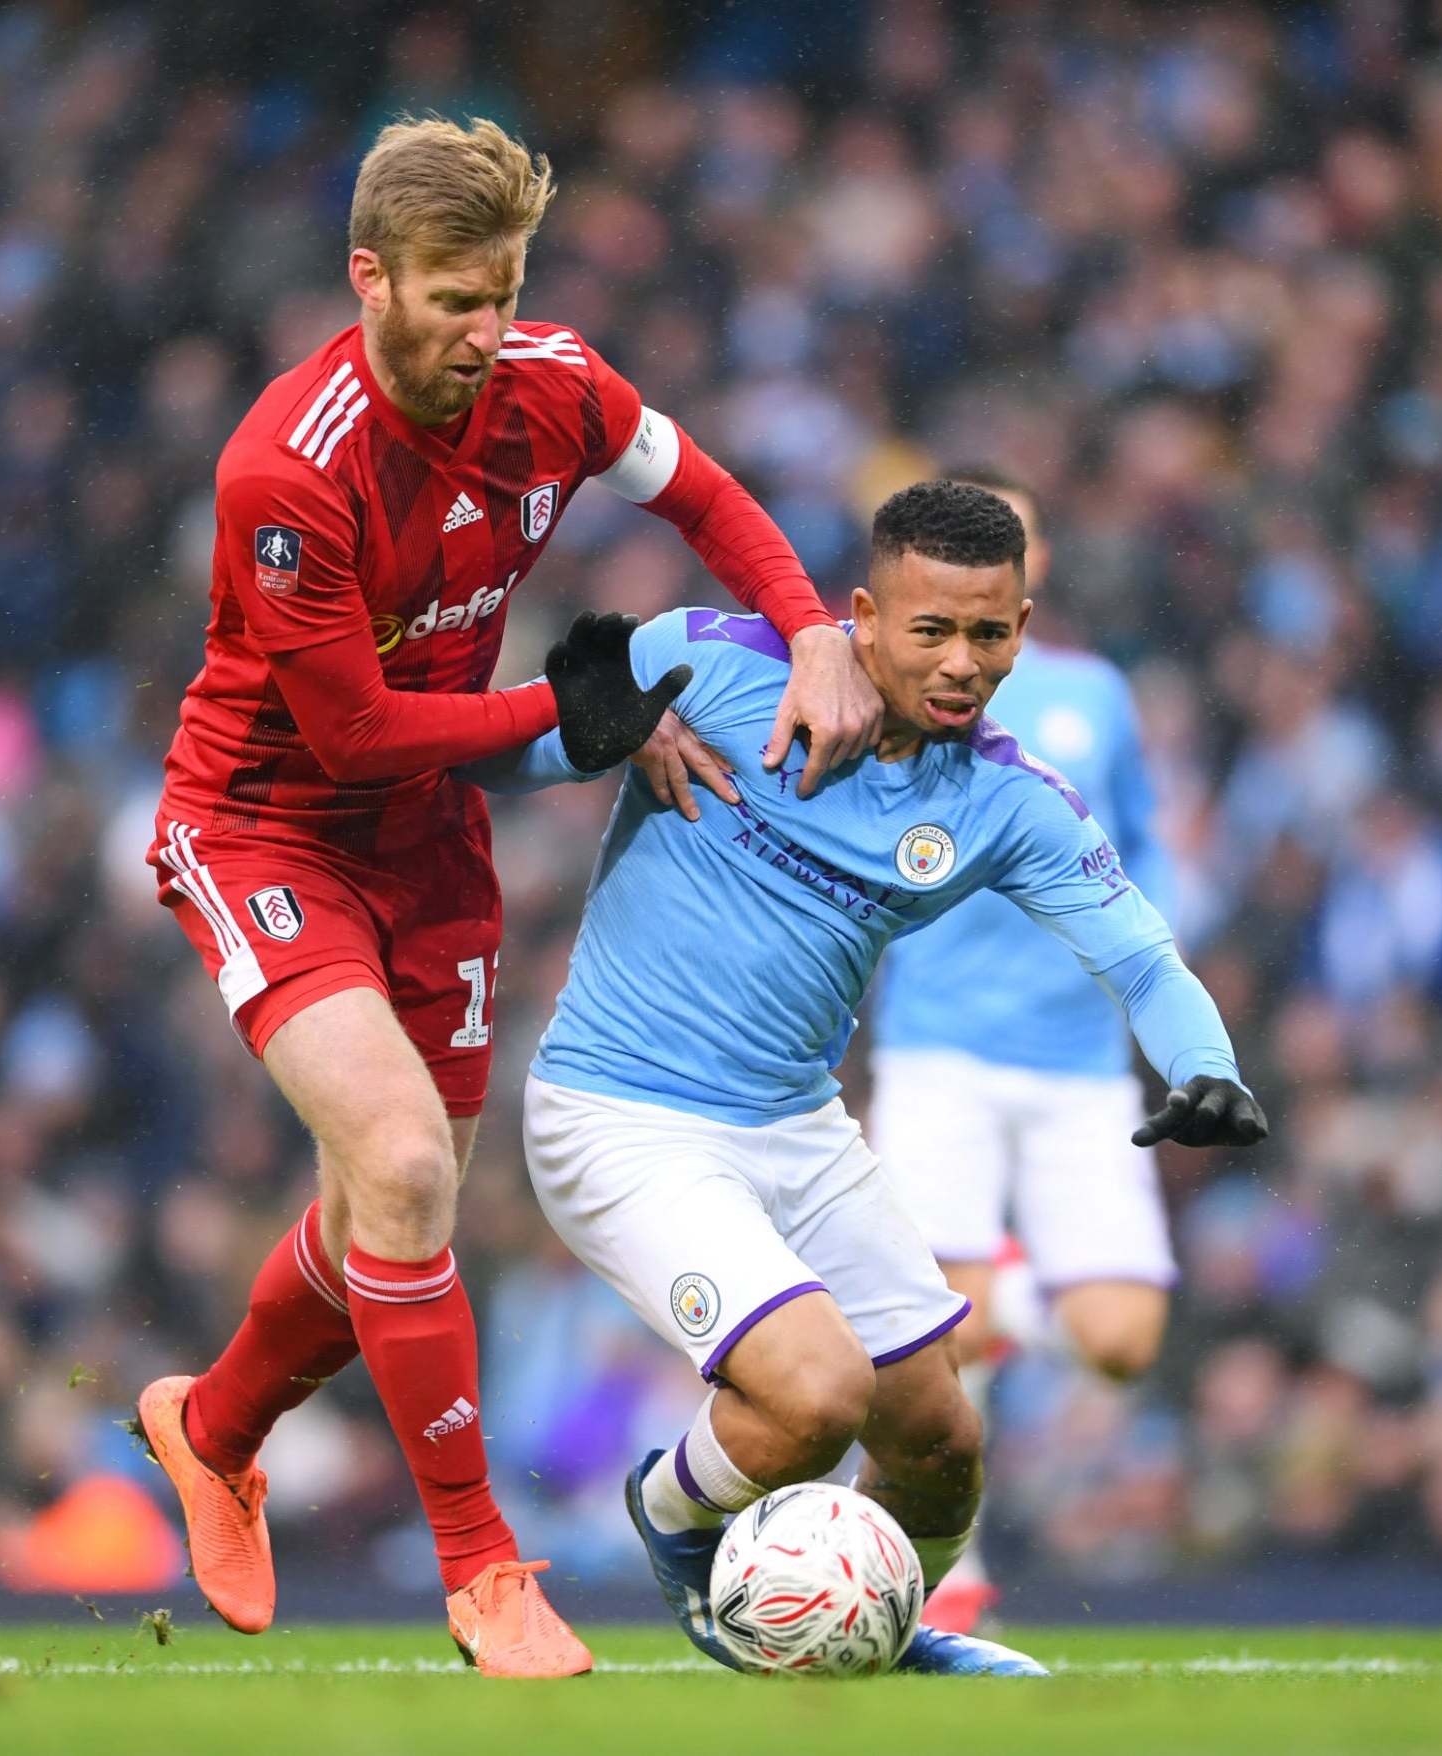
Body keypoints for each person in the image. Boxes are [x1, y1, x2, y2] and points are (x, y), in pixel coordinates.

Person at [132, 116, 881, 1678]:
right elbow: (348, 730)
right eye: (454, 299)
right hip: (268, 827)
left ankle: (209, 1432)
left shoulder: (552, 382)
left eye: (505, 293)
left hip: (431, 844)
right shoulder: (290, 465)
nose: (486, 332)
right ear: (370, 280)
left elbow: (706, 495)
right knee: (403, 1165)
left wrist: (808, 626)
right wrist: (568, 716)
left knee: (384, 1220)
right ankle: (482, 1575)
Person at [467, 481, 1267, 1673]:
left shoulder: (1005, 799)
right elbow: (495, 758)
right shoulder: (715, 663)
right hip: (621, 1113)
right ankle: (673, 1515)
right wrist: (574, 724)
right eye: (930, 630)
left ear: (1023, 627)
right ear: (862, 614)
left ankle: (886, 1635)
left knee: (942, 1442)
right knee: (815, 1392)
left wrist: (1207, 1064)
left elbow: (1140, 953)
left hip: (798, 1128)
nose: (960, 663)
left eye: (989, 634)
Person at [866, 465, 1180, 1633]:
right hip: (938, 1049)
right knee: (933, 1341)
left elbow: (1147, 846)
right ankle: (953, 1570)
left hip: (1078, 1060)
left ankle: (999, 1284)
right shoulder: (896, 690)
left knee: (1119, 1342)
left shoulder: (1094, 697)